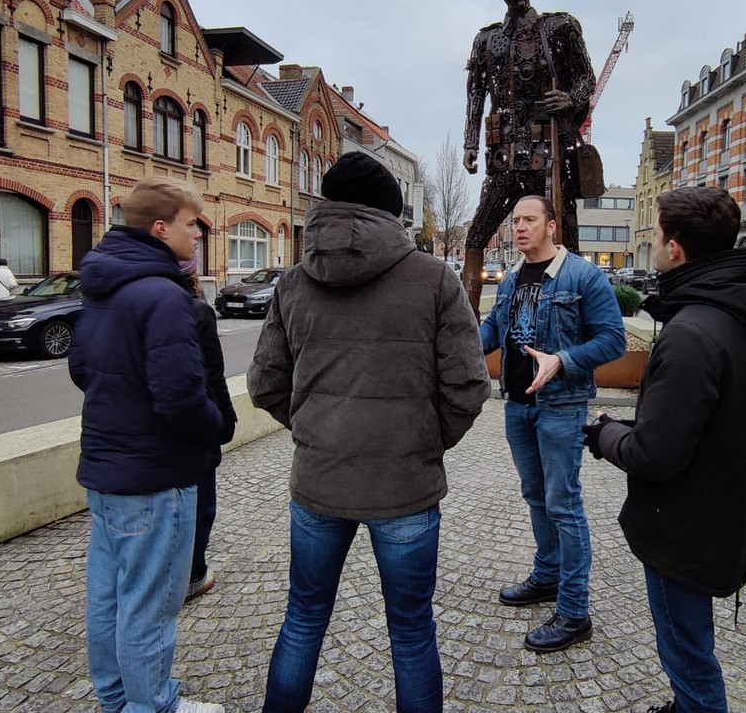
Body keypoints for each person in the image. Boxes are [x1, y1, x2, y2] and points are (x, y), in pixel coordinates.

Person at [248, 151, 491, 713]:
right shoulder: (434, 278)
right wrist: (423, 441)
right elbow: (468, 386)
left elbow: (265, 384)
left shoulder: (292, 282)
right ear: (393, 213)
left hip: (319, 481)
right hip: (404, 484)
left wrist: (315, 428)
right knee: (411, 631)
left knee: (303, 618)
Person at [582, 187, 746, 713]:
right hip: (712, 510)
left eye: (658, 234)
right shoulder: (728, 312)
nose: (656, 243)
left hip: (682, 525)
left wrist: (602, 434)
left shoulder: (691, 331)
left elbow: (655, 455)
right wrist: (631, 425)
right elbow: (690, 421)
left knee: (689, 655)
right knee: (691, 645)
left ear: (676, 249)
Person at [68, 177, 226, 713]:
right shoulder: (163, 295)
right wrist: (213, 426)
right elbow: (182, 396)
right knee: (150, 606)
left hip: (106, 473)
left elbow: (82, 370)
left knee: (109, 598)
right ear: (160, 229)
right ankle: (152, 705)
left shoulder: (102, 288)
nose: (197, 235)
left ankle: (117, 699)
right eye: (190, 225)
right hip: (156, 478)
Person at [480, 194, 625, 653]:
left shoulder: (582, 275)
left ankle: (575, 610)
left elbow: (613, 340)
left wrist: (562, 360)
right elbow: (493, 330)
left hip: (561, 406)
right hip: (518, 406)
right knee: (536, 497)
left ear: (551, 226)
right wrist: (449, 345)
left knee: (564, 504)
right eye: (516, 220)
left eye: (529, 220)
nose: (520, 227)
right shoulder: (510, 279)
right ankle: (546, 577)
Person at [461, 0, 596, 318]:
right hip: (504, 157)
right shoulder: (487, 41)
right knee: (476, 236)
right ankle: (463, 325)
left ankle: (571, 317)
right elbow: (476, 94)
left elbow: (586, 78)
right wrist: (470, 143)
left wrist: (571, 98)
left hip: (550, 150)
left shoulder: (558, 28)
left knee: (565, 237)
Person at [179, 249, 237, 603]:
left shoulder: (104, 296)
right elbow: (212, 374)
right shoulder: (196, 310)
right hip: (191, 433)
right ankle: (192, 574)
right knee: (200, 505)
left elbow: (81, 369)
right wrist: (224, 421)